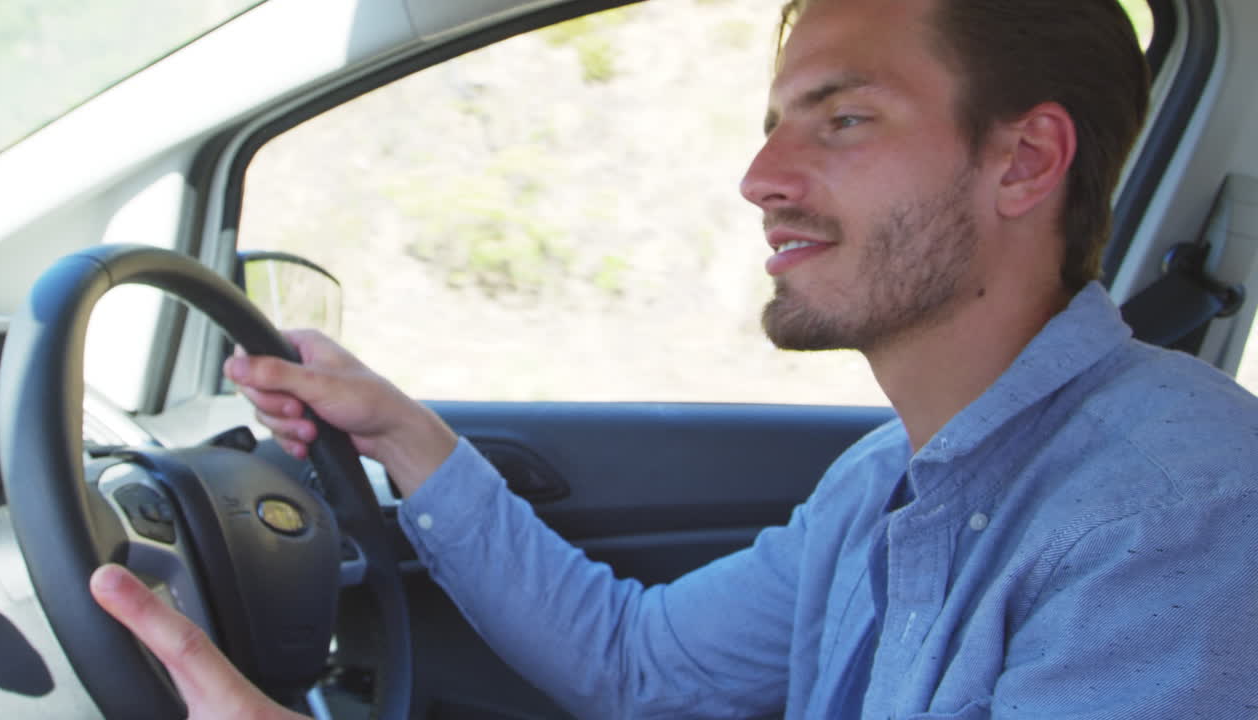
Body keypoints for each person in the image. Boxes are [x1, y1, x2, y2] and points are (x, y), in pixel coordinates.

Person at [92, 0, 1258, 717]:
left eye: (842, 118)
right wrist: (409, 438)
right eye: (772, 125)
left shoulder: (1174, 511)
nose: (761, 179)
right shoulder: (883, 481)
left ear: (1022, 161)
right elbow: (638, 668)